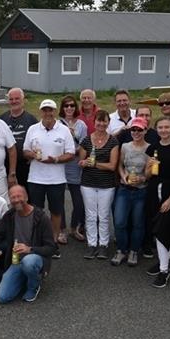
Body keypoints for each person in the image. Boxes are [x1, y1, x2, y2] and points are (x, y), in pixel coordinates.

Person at [0, 185, 58, 303]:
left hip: (35, 258)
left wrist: (29, 249)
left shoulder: (41, 217)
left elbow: (51, 248)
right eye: (12, 197)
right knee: (3, 297)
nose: (16, 200)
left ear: (26, 197)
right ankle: (26, 277)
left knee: (28, 262)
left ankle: (33, 286)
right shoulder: (10, 216)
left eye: (19, 196)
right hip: (16, 261)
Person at [23, 99, 76, 256]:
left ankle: (52, 243)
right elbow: (25, 150)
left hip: (56, 179)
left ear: (54, 111)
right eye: (45, 110)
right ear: (41, 112)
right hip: (35, 178)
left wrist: (57, 159)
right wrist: (32, 154)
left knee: (56, 212)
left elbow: (71, 153)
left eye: (50, 110)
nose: (48, 113)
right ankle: (38, 242)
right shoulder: (33, 129)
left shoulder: (64, 130)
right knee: (37, 212)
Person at [144, 117, 170, 288]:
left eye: (166, 127)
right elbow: (147, 176)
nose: (163, 130)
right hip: (154, 191)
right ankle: (164, 259)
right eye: (160, 127)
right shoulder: (152, 148)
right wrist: (149, 167)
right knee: (157, 227)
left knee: (164, 227)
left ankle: (164, 270)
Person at [78, 110, 120, 260]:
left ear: (108, 123)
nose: (101, 124)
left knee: (103, 215)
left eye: (104, 121)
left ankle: (103, 245)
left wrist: (95, 164)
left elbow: (112, 166)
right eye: (99, 121)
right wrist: (84, 163)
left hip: (107, 184)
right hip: (88, 183)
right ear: (94, 122)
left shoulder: (113, 141)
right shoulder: (86, 141)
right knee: (90, 215)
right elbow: (81, 162)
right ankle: (91, 244)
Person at [112, 116, 151, 267]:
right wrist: (124, 176)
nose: (136, 132)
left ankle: (134, 250)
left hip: (141, 191)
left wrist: (142, 178)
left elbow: (149, 172)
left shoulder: (150, 148)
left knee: (138, 223)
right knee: (120, 221)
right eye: (133, 129)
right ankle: (121, 250)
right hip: (124, 188)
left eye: (139, 129)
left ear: (145, 130)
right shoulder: (125, 146)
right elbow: (120, 165)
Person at [59, 95, 88, 242]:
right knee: (59, 200)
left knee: (78, 201)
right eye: (66, 106)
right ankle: (62, 229)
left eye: (72, 106)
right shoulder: (57, 124)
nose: (69, 108)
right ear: (62, 108)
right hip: (60, 166)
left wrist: (72, 146)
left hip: (75, 165)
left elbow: (83, 147)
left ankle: (74, 227)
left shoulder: (81, 125)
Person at [0, 87, 38, 192]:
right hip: (4, 166)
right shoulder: (1, 120)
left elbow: (37, 142)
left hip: (25, 166)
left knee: (24, 197)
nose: (14, 101)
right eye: (11, 99)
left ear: (23, 100)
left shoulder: (32, 120)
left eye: (17, 99)